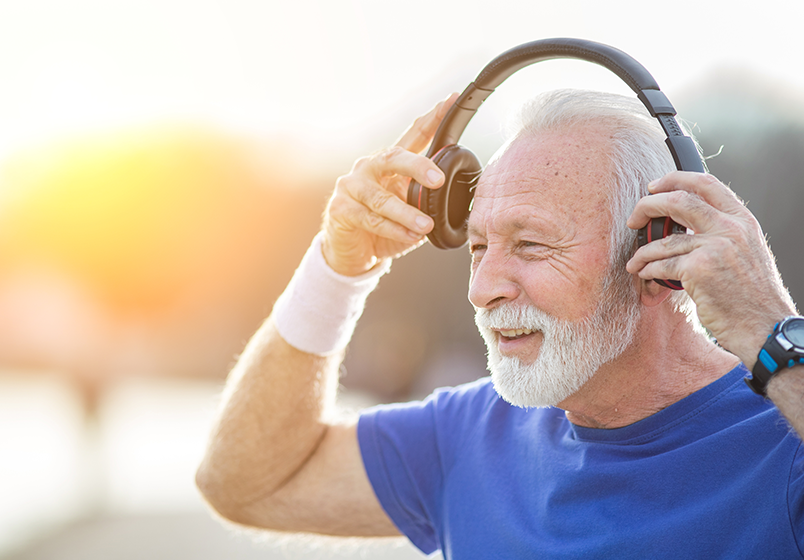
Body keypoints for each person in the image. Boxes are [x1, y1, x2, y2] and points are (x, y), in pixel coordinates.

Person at [196, 89, 804, 558]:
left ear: (657, 250)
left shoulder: (782, 439)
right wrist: (336, 267)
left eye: (532, 245)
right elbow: (243, 482)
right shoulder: (468, 435)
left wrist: (769, 327)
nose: (484, 289)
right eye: (479, 246)